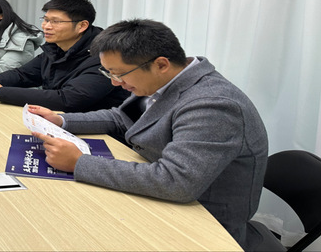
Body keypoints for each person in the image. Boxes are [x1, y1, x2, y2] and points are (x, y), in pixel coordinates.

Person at [28, 19, 268, 249]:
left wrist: (79, 162)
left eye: (119, 74)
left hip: (203, 224)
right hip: (163, 199)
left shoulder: (212, 105)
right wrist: (61, 120)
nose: (115, 83)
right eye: (110, 73)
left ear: (161, 64)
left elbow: (176, 182)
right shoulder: (164, 80)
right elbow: (121, 118)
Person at [0, 0, 127, 111]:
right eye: (45, 20)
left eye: (55, 21)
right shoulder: (55, 48)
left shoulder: (104, 56)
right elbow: (24, 74)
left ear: (82, 26)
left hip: (97, 129)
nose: (46, 26)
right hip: (56, 118)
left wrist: (1, 92)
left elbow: (68, 99)